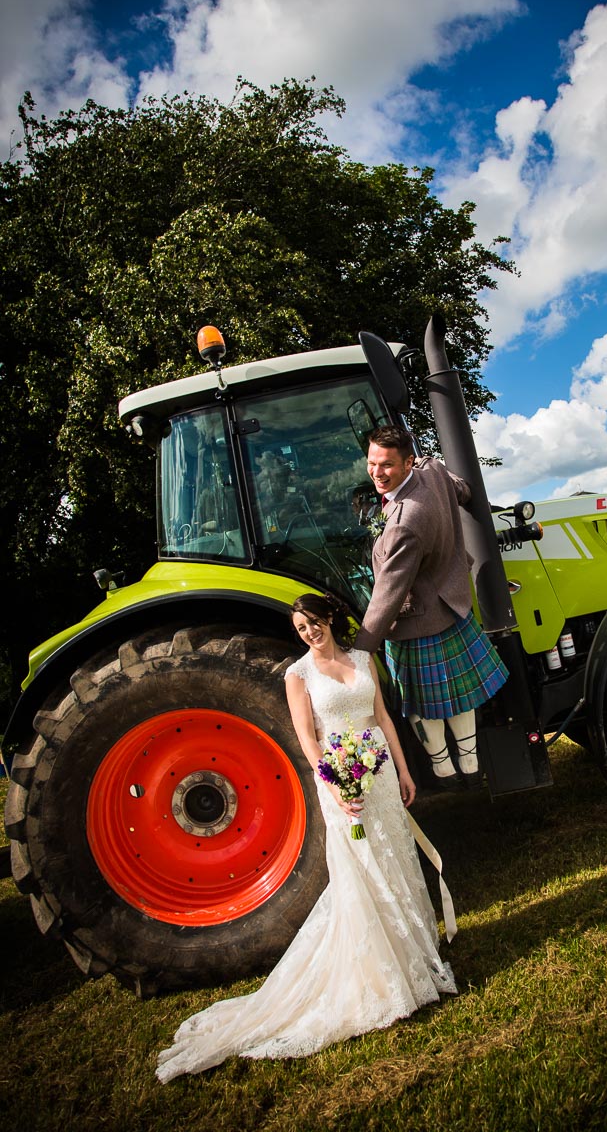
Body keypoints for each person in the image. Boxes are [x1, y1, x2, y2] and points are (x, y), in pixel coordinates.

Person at [156, 592, 456, 1083]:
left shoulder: (363, 659)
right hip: (341, 779)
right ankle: (382, 974)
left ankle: (415, 956)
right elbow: (309, 740)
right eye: (301, 628)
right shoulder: (298, 675)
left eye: (314, 622)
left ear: (329, 618)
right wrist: (336, 788)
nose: (310, 632)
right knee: (362, 868)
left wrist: (404, 770)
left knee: (396, 855)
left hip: (379, 771)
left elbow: (382, 718)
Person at [353, 425, 508, 786]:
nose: (377, 472)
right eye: (372, 462)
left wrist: (361, 650)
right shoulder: (433, 470)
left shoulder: (405, 522)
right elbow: (463, 490)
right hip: (452, 605)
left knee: (422, 705)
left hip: (416, 621)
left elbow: (389, 592)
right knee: (459, 697)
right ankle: (469, 762)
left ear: (407, 463)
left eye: (387, 465)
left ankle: (443, 769)